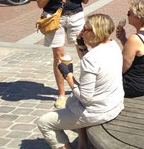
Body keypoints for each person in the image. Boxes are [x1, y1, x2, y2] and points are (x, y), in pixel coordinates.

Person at [37, 14, 124, 149]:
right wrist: (81, 44)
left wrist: (68, 75)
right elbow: (92, 63)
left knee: (44, 123)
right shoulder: (113, 45)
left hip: (100, 111)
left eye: (85, 29)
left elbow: (85, 97)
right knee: (71, 100)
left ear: (95, 33)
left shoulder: (92, 58)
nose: (81, 33)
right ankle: (83, 144)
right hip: (114, 103)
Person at [37, 0, 90, 109]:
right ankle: (61, 94)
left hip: (75, 17)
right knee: (59, 57)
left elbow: (85, 1)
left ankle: (86, 87)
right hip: (55, 19)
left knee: (83, 52)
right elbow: (40, 3)